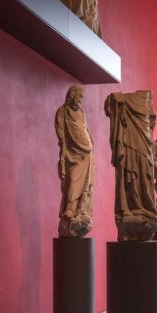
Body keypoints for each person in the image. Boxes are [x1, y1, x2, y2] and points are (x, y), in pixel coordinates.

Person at [104, 91, 157, 241]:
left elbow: (151, 123)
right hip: (133, 146)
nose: (151, 118)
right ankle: (132, 208)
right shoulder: (136, 105)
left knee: (144, 174)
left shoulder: (145, 126)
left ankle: (144, 207)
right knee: (131, 172)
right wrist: (117, 100)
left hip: (144, 147)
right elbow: (109, 104)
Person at [55, 84, 94, 237]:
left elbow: (85, 129)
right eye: (79, 96)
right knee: (72, 180)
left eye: (82, 98)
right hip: (73, 153)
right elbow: (60, 132)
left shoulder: (82, 113)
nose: (81, 100)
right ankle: (70, 209)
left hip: (87, 153)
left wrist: (91, 142)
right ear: (72, 95)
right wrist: (64, 149)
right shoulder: (62, 112)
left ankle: (81, 210)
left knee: (85, 183)